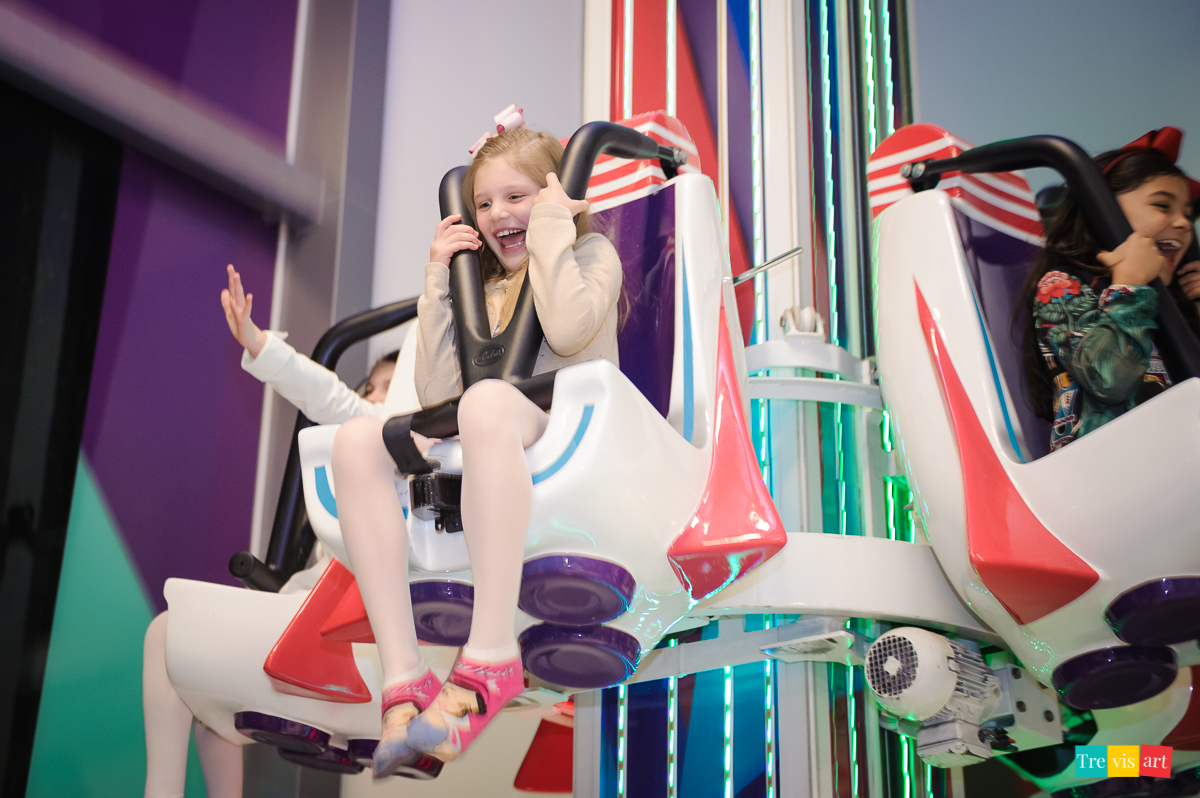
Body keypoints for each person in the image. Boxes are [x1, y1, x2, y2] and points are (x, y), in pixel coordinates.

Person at [329, 124, 622, 777]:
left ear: (553, 193)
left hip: (576, 435)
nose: (497, 215)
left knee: (486, 403)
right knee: (356, 442)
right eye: (483, 204)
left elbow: (572, 330)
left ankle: (491, 654)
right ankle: (403, 680)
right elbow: (436, 386)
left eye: (516, 197)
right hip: (494, 434)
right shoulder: (481, 289)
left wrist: (551, 230)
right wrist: (440, 276)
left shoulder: (593, 254)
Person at [141, 266, 399, 798]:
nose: (373, 399)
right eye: (371, 388)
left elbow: (334, 400)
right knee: (210, 697)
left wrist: (261, 345)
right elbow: (335, 402)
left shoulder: (403, 447)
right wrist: (258, 344)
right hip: (324, 628)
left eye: (389, 390)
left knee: (168, 638)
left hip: (353, 645)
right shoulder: (354, 474)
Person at [1019, 127, 1199, 451]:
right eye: (1162, 206)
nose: (1185, 223)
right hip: (1106, 470)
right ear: (1104, 210)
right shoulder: (1059, 286)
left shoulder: (1168, 303)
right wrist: (1129, 283)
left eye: (1187, 214)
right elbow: (1108, 380)